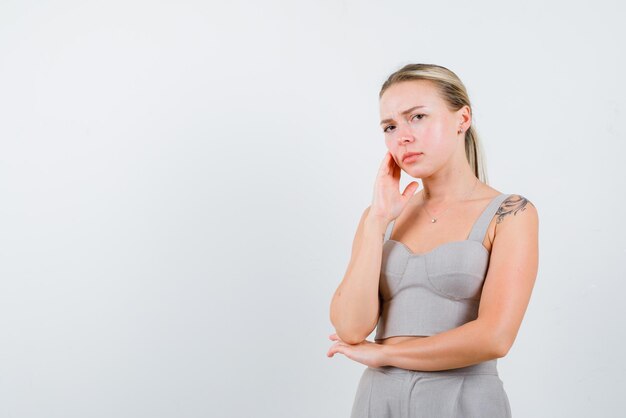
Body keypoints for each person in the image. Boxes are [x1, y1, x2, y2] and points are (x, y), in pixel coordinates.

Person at [327, 63, 539, 417]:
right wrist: (377, 221)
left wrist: (385, 354)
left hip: (464, 399)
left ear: (463, 118)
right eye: (390, 126)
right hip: (378, 401)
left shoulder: (511, 213)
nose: (403, 136)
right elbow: (349, 327)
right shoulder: (380, 217)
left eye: (418, 117)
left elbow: (495, 337)